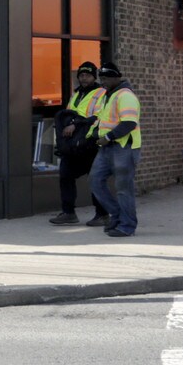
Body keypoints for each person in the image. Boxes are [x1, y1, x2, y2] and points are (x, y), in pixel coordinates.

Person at [88, 64, 142, 238]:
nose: (102, 82)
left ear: (116, 77)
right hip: (107, 147)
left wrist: (108, 137)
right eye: (101, 78)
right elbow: (102, 120)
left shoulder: (125, 96)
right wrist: (94, 134)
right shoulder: (107, 96)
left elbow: (129, 123)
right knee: (95, 180)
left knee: (123, 188)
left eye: (105, 78)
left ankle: (127, 226)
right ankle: (117, 215)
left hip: (124, 147)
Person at [48, 62, 105, 225]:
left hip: (90, 143)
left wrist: (76, 124)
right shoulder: (76, 94)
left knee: (95, 179)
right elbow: (69, 113)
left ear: (94, 76)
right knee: (65, 175)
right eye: (81, 75)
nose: (83, 78)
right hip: (74, 144)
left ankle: (102, 214)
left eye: (87, 75)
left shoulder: (101, 93)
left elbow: (98, 116)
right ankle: (68, 212)